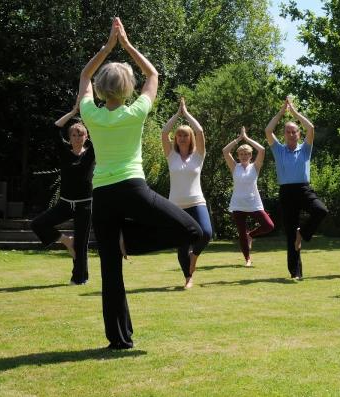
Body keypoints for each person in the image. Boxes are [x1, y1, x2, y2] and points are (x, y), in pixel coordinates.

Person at [78, 18, 202, 349]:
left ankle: (119, 340)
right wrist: (127, 45)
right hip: (132, 189)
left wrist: (107, 47)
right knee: (192, 231)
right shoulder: (135, 113)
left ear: (103, 89)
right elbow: (154, 76)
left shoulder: (90, 112)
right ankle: (129, 243)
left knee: (110, 273)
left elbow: (85, 76)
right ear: (127, 89)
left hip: (102, 195)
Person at [30, 102, 94, 285]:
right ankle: (67, 241)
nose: (76, 137)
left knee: (81, 245)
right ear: (69, 137)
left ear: (86, 136)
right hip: (65, 203)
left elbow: (100, 133)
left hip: (85, 204)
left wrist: (87, 117)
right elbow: (54, 128)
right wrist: (73, 112)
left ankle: (79, 278)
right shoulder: (64, 152)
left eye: (80, 134)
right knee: (38, 224)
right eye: (73, 134)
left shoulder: (91, 153)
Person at [265, 97, 328, 280]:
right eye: (288, 132)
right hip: (286, 192)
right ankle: (295, 273)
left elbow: (311, 128)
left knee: (321, 210)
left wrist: (294, 113)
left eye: (294, 132)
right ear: (284, 134)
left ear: (298, 135)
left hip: (303, 189)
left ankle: (304, 233)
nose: (291, 134)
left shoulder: (305, 149)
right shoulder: (278, 150)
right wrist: (281, 112)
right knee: (290, 234)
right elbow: (268, 130)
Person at [161, 98, 212, 289]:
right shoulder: (171, 156)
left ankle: (195, 256)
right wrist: (177, 114)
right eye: (179, 135)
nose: (182, 138)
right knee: (181, 244)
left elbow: (200, 131)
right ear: (176, 139)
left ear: (190, 138)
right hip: (175, 205)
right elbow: (164, 132)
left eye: (185, 135)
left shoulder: (198, 156)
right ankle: (188, 277)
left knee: (206, 233)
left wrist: (187, 113)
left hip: (197, 202)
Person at [222, 126, 275, 267]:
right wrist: (238, 139)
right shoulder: (234, 166)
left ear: (251, 156)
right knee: (241, 233)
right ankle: (247, 259)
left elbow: (262, 150)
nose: (244, 156)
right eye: (241, 154)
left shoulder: (255, 167)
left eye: (247, 154)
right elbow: (225, 151)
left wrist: (247, 139)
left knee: (269, 225)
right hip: (238, 204)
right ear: (238, 156)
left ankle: (250, 234)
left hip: (253, 203)